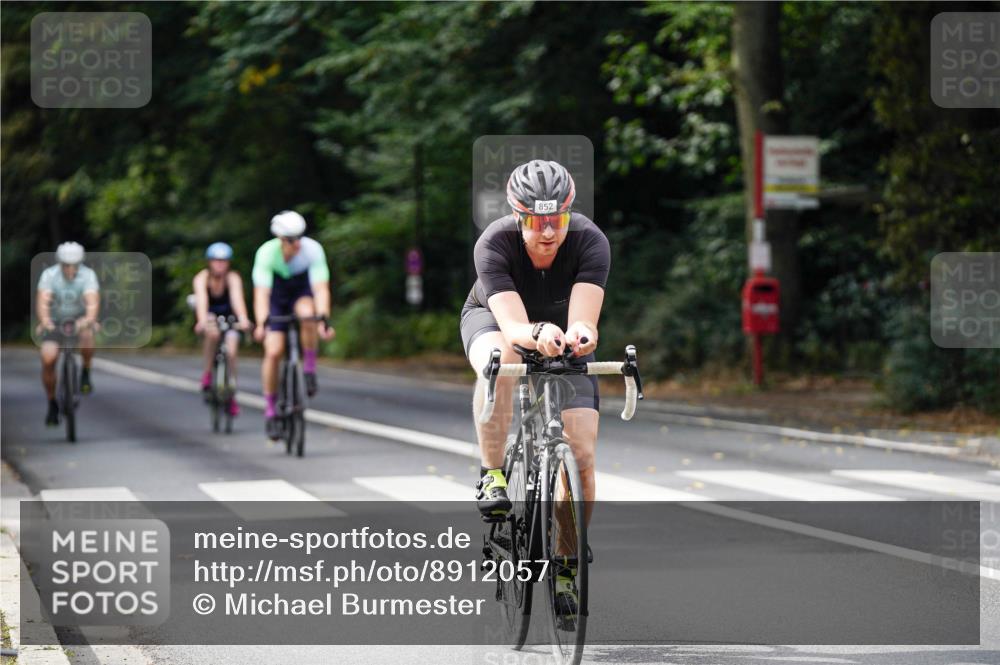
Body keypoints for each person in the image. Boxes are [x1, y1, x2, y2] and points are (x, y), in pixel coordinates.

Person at [461, 159, 609, 618]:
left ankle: (566, 558)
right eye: (537, 221)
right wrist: (537, 332)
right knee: (502, 359)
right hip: (496, 321)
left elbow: (584, 317)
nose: (549, 231)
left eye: (557, 219)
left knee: (581, 453)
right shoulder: (495, 244)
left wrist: (583, 335)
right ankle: (494, 473)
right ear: (517, 215)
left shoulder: (589, 241)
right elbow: (512, 325)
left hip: (559, 333)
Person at [251, 210, 334, 439]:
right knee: (274, 350)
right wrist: (261, 323)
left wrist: (323, 319)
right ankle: (270, 410)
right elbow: (261, 294)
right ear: (280, 239)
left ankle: (308, 368)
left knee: (308, 314)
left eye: (300, 237)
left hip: (300, 290)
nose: (296, 243)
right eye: (290, 239)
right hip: (275, 295)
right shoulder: (266, 254)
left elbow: (320, 289)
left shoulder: (312, 250)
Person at [35, 242, 101, 426]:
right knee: (48, 357)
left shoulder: (88, 275)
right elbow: (43, 301)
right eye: (66, 264)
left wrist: (89, 319)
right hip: (56, 320)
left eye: (74, 265)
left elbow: (92, 301)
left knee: (88, 335)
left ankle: (85, 372)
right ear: (60, 263)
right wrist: (46, 320)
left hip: (79, 318)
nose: (70, 269)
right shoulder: (49, 275)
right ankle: (51, 402)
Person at [192, 242, 251, 416]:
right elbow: (202, 301)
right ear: (209, 262)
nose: (220, 264)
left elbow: (237, 300)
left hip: (229, 317)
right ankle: (208, 374)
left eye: (224, 261)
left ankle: (231, 393)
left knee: (232, 351)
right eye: (216, 261)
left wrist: (244, 319)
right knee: (212, 333)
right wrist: (201, 320)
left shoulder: (233, 278)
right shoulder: (202, 278)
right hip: (210, 316)